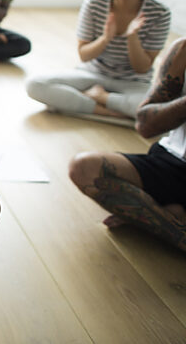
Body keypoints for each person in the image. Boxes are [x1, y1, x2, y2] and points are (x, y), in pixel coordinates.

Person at [68, 37, 186, 251]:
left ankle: (158, 216)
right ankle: (175, 227)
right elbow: (145, 126)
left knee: (170, 209)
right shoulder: (182, 50)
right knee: (84, 167)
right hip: (171, 161)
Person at [26, 0, 170, 122]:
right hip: (93, 75)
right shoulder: (94, 5)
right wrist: (105, 38)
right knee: (35, 85)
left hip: (133, 83)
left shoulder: (159, 13)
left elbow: (142, 68)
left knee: (158, 110)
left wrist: (132, 37)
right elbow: (84, 55)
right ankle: (107, 112)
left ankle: (97, 99)